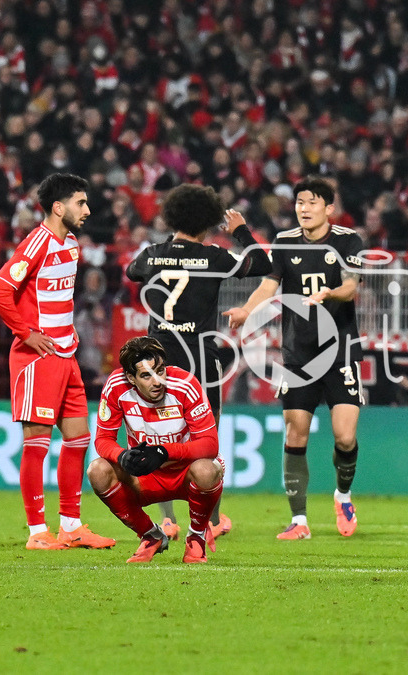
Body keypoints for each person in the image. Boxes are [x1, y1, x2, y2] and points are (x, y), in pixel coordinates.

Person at [126, 183, 271, 542]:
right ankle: (209, 522)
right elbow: (262, 263)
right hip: (199, 359)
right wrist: (240, 230)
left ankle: (168, 520)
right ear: (207, 221)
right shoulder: (214, 257)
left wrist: (167, 252)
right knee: (206, 440)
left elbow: (131, 271)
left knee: (158, 434)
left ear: (172, 216)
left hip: (156, 360)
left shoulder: (152, 254)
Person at [225, 176, 365, 540]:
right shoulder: (285, 242)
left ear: (329, 208)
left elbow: (352, 286)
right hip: (298, 353)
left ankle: (343, 495)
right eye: (300, 202)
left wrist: (331, 293)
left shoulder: (348, 240)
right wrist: (247, 311)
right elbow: (268, 285)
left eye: (312, 202)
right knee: (295, 431)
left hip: (340, 349)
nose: (304, 208)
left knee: (345, 437)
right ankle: (299, 521)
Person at [0, 173, 115, 551]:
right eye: (80, 203)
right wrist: (25, 333)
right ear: (58, 207)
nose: (87, 210)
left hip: (66, 355)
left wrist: (66, 333)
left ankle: (71, 527)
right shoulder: (36, 243)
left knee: (78, 439)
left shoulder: (71, 244)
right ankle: (37, 532)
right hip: (37, 358)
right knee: (37, 443)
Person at [88, 336, 223, 563]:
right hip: (144, 477)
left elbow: (210, 444)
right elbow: (103, 439)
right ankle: (150, 535)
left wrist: (163, 452)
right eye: (146, 376)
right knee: (97, 470)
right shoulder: (116, 387)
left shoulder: (185, 383)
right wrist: (122, 456)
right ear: (131, 378)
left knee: (208, 469)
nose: (157, 381)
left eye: (160, 371)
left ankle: (196, 537)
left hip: (185, 473)